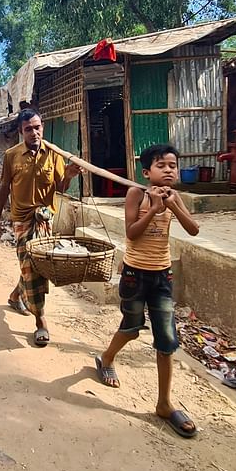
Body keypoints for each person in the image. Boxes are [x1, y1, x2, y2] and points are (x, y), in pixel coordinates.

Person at [94, 144, 200, 439]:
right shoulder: (135, 194)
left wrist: (173, 205)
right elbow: (131, 233)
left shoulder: (175, 196)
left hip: (162, 277)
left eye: (172, 165)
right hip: (134, 275)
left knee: (166, 340)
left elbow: (193, 230)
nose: (168, 170)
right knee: (131, 328)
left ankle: (164, 404)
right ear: (146, 172)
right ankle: (106, 359)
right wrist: (153, 207)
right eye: (161, 165)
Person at [0, 109, 82, 346]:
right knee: (31, 267)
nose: (34, 132)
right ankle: (41, 321)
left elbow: (60, 186)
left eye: (38, 127)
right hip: (21, 220)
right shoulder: (11, 156)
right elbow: (4, 189)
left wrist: (70, 175)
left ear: (43, 127)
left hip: (44, 220)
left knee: (36, 268)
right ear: (21, 131)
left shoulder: (54, 154)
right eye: (29, 129)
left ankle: (15, 296)